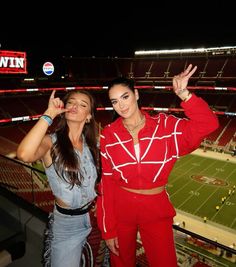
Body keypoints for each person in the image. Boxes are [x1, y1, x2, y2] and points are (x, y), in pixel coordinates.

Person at [96, 64, 219, 267]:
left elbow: (209, 124)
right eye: (114, 101)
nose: (121, 105)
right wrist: (107, 229)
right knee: (121, 263)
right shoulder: (108, 134)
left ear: (136, 94)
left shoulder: (166, 126)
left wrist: (184, 94)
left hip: (156, 208)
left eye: (125, 97)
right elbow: (106, 184)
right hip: (121, 208)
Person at [16, 89, 100, 267]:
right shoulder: (51, 143)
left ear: (89, 117)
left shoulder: (92, 145)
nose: (75, 106)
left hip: (92, 217)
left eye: (83, 104)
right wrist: (49, 115)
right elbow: (24, 154)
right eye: (71, 102)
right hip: (66, 225)